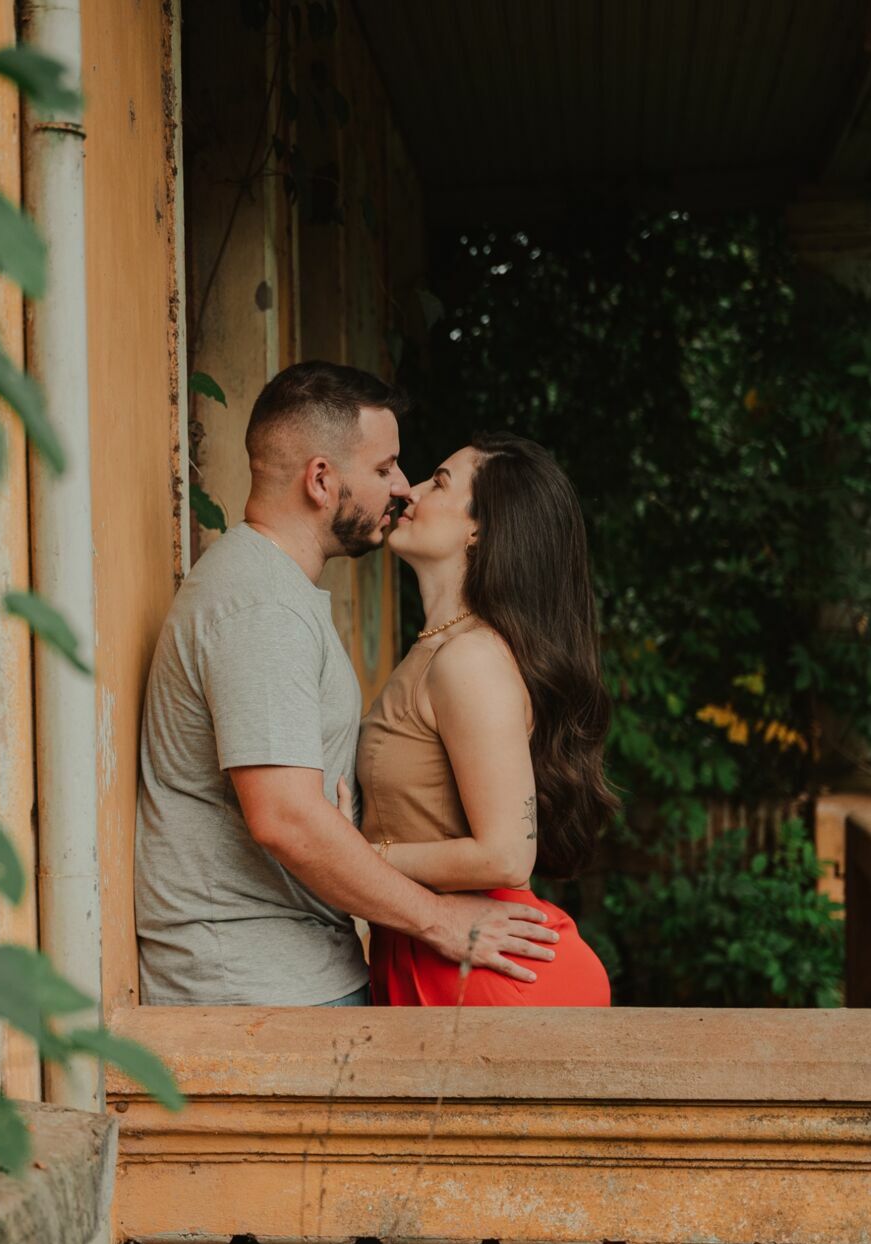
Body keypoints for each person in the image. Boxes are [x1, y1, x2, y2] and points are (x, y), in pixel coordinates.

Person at [133, 361, 559, 1007]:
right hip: (256, 989)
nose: (402, 487)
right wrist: (443, 922)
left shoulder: (283, 597)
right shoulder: (262, 608)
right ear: (321, 479)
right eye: (385, 467)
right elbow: (286, 818)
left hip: (292, 975)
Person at [356, 433, 618, 1006]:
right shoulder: (440, 650)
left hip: (493, 970)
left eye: (440, 482)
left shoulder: (471, 659)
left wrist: (351, 862)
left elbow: (505, 854)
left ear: (480, 530)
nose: (411, 489)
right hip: (451, 951)